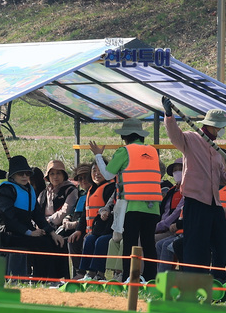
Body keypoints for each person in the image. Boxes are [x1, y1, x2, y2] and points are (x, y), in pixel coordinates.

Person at [162, 101, 226, 274]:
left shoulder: (217, 150)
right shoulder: (191, 139)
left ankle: (218, 276)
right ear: (212, 126)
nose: (221, 131)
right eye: (220, 127)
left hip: (213, 202)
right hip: (196, 202)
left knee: (219, 241)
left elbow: (220, 178)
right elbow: (174, 136)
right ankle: (194, 278)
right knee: (196, 244)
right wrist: (169, 116)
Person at [90, 118, 161, 283]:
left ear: (125, 136)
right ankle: (151, 279)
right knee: (148, 244)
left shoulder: (125, 151)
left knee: (129, 243)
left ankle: (130, 278)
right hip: (153, 206)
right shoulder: (152, 151)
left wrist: (98, 156)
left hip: (132, 205)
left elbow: (108, 175)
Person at [0, 155, 47, 278]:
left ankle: (55, 278)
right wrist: (29, 233)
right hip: (8, 233)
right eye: (21, 174)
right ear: (12, 176)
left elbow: (38, 215)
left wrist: (52, 232)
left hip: (25, 232)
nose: (25, 176)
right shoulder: (5, 190)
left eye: (27, 173)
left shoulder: (29, 189)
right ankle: (41, 279)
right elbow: (9, 218)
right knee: (41, 242)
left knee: (53, 241)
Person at [36, 159, 80, 280]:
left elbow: (65, 211)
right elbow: (36, 212)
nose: (55, 176)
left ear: (64, 175)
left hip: (62, 227)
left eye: (58, 173)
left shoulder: (70, 190)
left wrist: (46, 223)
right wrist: (38, 225)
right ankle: (39, 277)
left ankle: (58, 277)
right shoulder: (43, 193)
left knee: (53, 241)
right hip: (44, 226)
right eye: (52, 174)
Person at [77, 172, 117, 280]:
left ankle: (100, 274)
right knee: (90, 239)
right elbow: (107, 206)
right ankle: (87, 273)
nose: (97, 174)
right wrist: (104, 211)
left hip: (116, 229)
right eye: (94, 170)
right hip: (102, 228)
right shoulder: (116, 190)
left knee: (102, 241)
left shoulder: (111, 187)